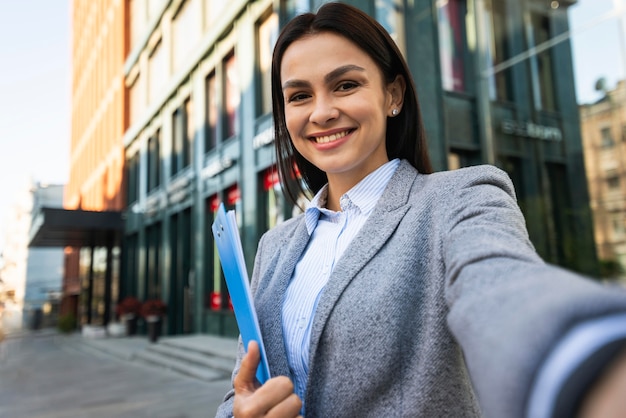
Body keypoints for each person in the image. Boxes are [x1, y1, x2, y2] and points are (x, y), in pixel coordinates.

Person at [215, 3, 626, 417]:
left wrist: (585, 355)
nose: (321, 112)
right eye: (300, 95)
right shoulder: (274, 246)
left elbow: (502, 286)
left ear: (392, 95)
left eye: (345, 85)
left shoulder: (461, 199)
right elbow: (241, 388)